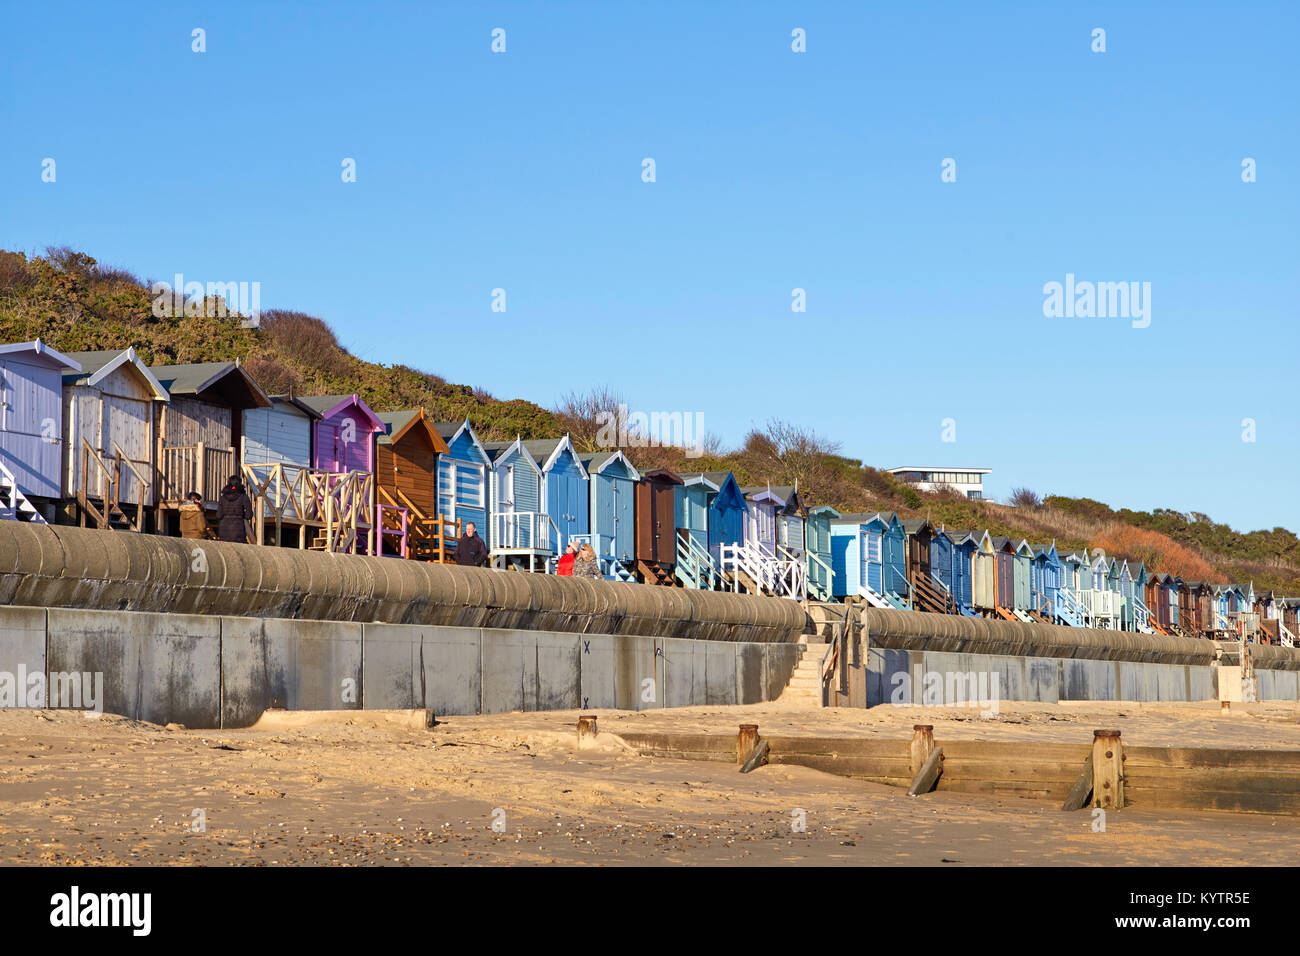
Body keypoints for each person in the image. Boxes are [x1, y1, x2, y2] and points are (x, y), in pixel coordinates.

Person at [216, 476, 253, 543]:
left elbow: (218, 515)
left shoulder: (223, 497)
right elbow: (249, 515)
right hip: (238, 527)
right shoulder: (243, 496)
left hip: (224, 528)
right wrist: (242, 515)